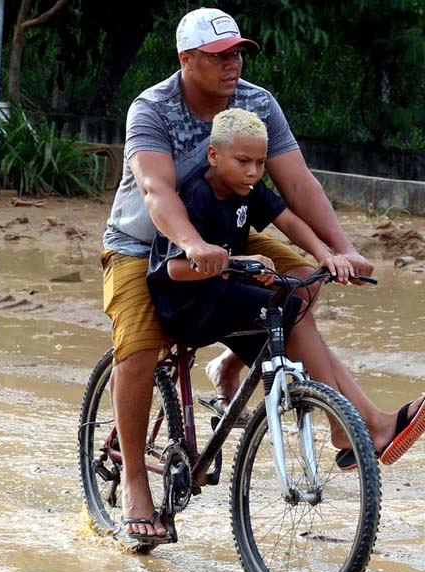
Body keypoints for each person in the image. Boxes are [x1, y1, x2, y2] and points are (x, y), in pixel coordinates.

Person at [101, 7, 412, 542]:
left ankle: (340, 416)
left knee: (301, 287)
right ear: (186, 60)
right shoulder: (152, 108)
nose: (233, 65)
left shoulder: (256, 102)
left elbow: (294, 188)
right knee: (140, 347)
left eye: (238, 53)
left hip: (228, 233)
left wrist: (341, 249)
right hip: (147, 242)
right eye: (219, 56)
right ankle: (135, 481)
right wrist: (192, 243)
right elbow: (157, 191)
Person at [146, 109, 425, 525]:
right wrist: (235, 261)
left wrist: (328, 255)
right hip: (187, 305)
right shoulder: (197, 195)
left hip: (223, 295)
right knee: (288, 311)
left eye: (260, 163)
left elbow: (288, 220)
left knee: (296, 301)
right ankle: (345, 422)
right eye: (244, 162)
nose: (254, 172)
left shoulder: (248, 190)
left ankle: (348, 418)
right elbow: (174, 268)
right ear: (214, 155)